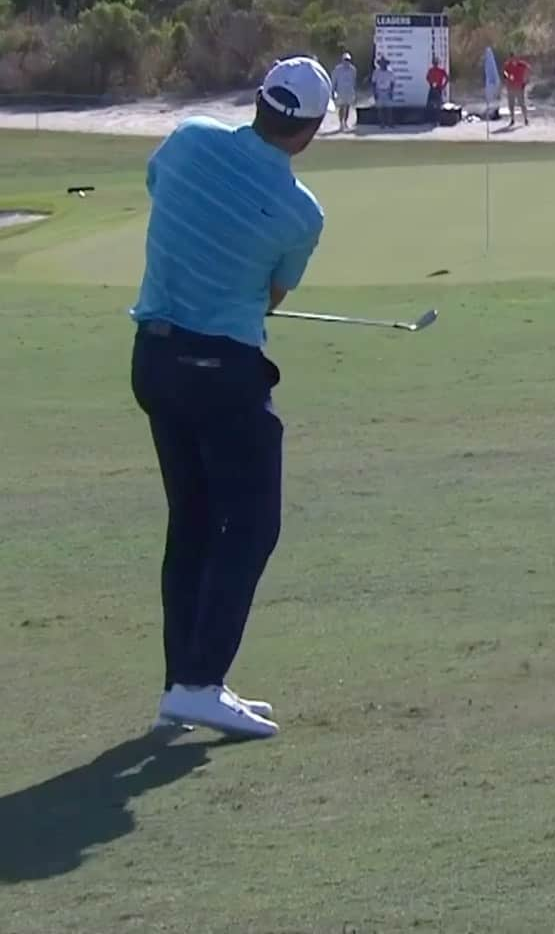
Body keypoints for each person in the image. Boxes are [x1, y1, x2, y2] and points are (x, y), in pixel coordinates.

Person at [130, 57, 332, 740]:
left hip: (155, 362)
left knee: (191, 520)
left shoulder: (187, 139)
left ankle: (182, 684)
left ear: (257, 102)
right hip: (222, 373)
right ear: (308, 132)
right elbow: (270, 296)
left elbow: (160, 190)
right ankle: (198, 682)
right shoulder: (302, 214)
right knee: (249, 525)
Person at [331, 51, 357, 131]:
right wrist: (333, 91)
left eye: (348, 60)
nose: (347, 62)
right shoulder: (337, 69)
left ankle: (345, 122)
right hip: (340, 91)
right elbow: (334, 80)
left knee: (348, 107)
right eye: (345, 60)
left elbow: (354, 81)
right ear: (342, 60)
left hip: (349, 91)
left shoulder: (353, 69)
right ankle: (341, 123)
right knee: (341, 107)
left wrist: (354, 91)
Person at [503, 51, 530, 126]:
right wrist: (507, 76)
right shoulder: (507, 65)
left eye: (514, 57)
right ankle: (512, 119)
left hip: (519, 86)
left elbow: (528, 69)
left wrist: (526, 80)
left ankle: (525, 119)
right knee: (511, 104)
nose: (513, 59)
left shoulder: (522, 64)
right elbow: (505, 72)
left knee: (522, 103)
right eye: (511, 57)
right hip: (510, 87)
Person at [372, 55, 395, 129]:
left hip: (387, 90)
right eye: (381, 63)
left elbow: (392, 83)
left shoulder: (390, 72)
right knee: (380, 109)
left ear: (386, 64)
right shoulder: (376, 72)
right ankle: (382, 123)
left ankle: (390, 123)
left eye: (384, 63)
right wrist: (375, 93)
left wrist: (391, 92)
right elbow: (374, 83)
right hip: (379, 90)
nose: (383, 64)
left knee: (389, 109)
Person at [426, 55, 449, 125]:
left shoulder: (440, 71)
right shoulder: (433, 70)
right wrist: (443, 86)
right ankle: (434, 120)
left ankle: (435, 120)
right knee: (433, 105)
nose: (435, 64)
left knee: (435, 105)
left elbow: (427, 78)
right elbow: (427, 78)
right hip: (435, 88)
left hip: (436, 88)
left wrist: (442, 86)